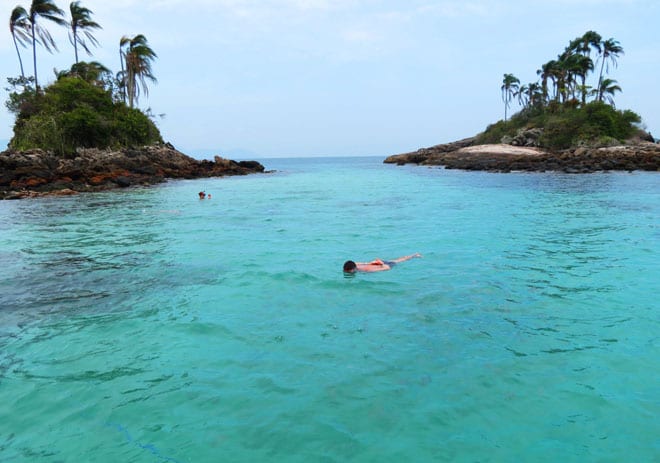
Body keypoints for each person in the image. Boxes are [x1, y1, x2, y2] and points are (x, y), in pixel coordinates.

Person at [343, 253, 422, 273]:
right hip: (377, 263)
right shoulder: (356, 264)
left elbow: (386, 268)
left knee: (399, 260)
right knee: (397, 259)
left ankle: (414, 255)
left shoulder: (367, 270)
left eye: (348, 271)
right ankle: (414, 255)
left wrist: (381, 264)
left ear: (353, 269)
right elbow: (356, 262)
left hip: (385, 265)